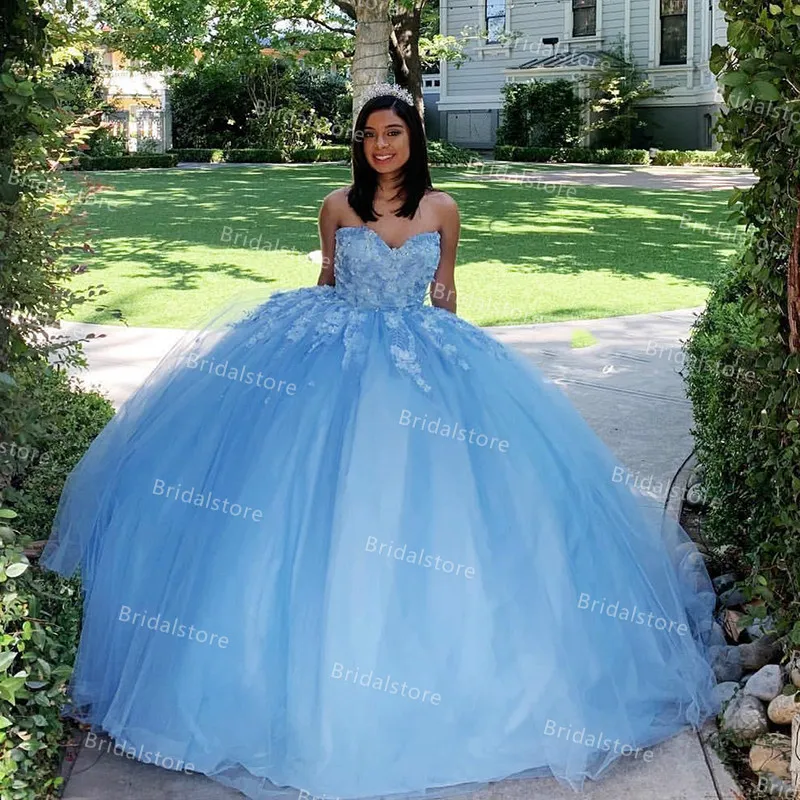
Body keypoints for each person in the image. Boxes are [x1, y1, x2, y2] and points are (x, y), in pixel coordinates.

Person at [42, 84, 720, 800]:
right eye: (368, 134)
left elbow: (445, 294)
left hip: (423, 354)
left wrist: (460, 360)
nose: (380, 145)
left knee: (453, 495)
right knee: (306, 490)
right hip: (336, 356)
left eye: (391, 132)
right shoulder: (339, 205)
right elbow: (328, 281)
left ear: (412, 139)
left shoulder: (443, 209)